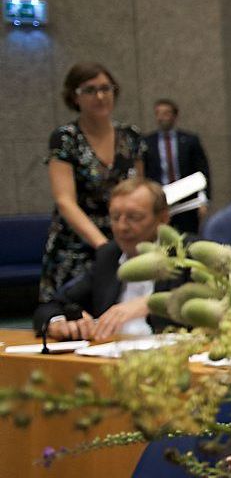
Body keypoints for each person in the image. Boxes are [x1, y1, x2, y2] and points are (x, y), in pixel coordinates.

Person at [40, 62, 146, 303]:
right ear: (74, 97)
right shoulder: (65, 138)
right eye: (89, 90)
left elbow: (139, 191)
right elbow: (65, 201)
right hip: (78, 245)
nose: (100, 96)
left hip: (124, 238)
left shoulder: (131, 136)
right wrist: (104, 246)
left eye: (105, 88)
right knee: (72, 318)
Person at [34, 178, 182, 341]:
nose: (122, 227)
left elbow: (206, 301)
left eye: (134, 217)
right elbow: (50, 307)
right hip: (109, 354)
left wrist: (151, 304)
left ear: (163, 218)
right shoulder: (109, 256)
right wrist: (59, 323)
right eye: (115, 217)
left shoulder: (187, 253)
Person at [141, 98, 211, 234]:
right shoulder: (147, 142)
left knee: (188, 237)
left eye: (166, 113)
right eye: (158, 113)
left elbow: (202, 170)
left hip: (187, 198)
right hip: (160, 198)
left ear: (175, 116)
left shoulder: (190, 140)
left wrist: (203, 199)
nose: (161, 118)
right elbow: (144, 172)